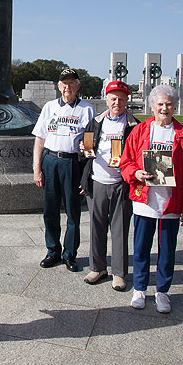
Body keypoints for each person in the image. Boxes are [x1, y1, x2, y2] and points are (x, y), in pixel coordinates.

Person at [120, 84, 183, 313]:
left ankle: (163, 291)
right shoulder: (140, 131)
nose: (164, 108)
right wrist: (136, 173)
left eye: (168, 104)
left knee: (167, 250)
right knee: (141, 248)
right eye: (160, 104)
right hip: (145, 200)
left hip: (170, 203)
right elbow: (126, 162)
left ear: (174, 106)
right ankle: (140, 288)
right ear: (152, 106)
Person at [32, 68, 95, 272]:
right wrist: (37, 168)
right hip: (51, 160)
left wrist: (87, 173)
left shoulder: (86, 109)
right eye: (64, 83)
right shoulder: (49, 107)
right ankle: (52, 251)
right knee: (50, 210)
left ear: (78, 85)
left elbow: (89, 144)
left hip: (72, 164)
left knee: (72, 211)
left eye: (71, 83)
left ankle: (70, 254)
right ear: (59, 86)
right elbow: (40, 139)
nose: (67, 87)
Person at [79, 81, 138, 290]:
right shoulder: (95, 122)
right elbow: (84, 152)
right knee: (97, 228)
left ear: (126, 100)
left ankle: (119, 273)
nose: (117, 102)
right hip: (97, 182)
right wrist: (84, 151)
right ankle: (98, 268)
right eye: (113, 98)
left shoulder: (134, 125)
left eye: (121, 99)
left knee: (120, 229)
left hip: (121, 184)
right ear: (106, 99)